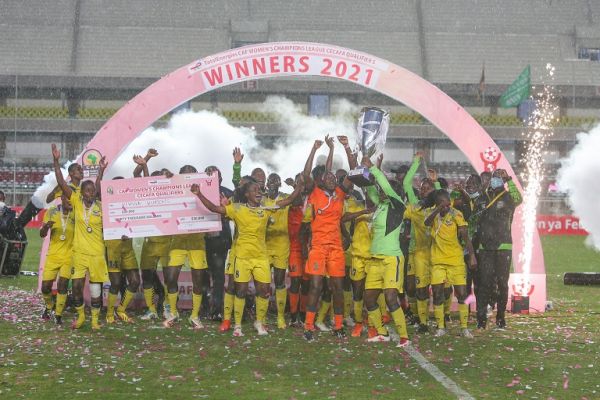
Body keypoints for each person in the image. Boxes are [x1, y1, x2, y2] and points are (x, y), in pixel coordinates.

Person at [191, 176, 303, 337]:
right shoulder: (238, 209)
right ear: (247, 195)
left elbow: (290, 200)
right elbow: (216, 209)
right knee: (240, 291)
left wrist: (299, 186)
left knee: (264, 291)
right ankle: (237, 326)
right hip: (242, 257)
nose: (259, 192)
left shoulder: (266, 208)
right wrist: (199, 194)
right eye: (255, 190)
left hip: (261, 258)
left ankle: (260, 322)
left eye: (259, 190)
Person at [302, 135, 355, 341]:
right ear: (322, 180)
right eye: (329, 178)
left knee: (337, 288)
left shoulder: (340, 194)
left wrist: (345, 147)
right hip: (318, 248)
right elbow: (306, 173)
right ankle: (308, 326)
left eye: (335, 178)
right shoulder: (315, 193)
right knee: (316, 286)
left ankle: (338, 326)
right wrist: (316, 149)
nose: (333, 179)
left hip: (335, 249)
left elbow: (355, 173)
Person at [51, 144, 108, 330]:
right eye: (88, 191)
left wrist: (100, 171)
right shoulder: (75, 200)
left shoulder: (100, 207)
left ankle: (94, 321)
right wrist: (56, 161)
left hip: (97, 254)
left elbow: (100, 186)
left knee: (95, 290)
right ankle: (82, 316)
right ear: (82, 193)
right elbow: (61, 183)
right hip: (80, 254)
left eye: (93, 191)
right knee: (76, 288)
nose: (91, 193)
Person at [361, 156, 410, 347]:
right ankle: (382, 333)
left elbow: (387, 188)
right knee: (369, 298)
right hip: (375, 260)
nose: (382, 192)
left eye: (387, 190)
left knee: (390, 297)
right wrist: (364, 172)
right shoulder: (380, 206)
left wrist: (373, 168)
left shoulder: (398, 205)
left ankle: (404, 336)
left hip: (392, 259)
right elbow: (371, 188)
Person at [425, 190, 477, 338]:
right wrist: (437, 209)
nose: (446, 206)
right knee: (437, 293)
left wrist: (472, 255)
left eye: (448, 203)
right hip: (437, 261)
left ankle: (464, 327)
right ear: (437, 204)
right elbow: (426, 223)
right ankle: (441, 327)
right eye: (443, 204)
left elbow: (465, 237)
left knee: (461, 293)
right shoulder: (432, 214)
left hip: (455, 260)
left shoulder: (456, 214)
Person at [163, 165, 208, 329]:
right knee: (171, 278)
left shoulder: (202, 191)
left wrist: (210, 179)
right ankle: (173, 312)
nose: (188, 178)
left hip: (197, 241)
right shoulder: (174, 190)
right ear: (180, 177)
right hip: (178, 241)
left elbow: (211, 204)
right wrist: (166, 179)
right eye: (184, 175)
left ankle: (194, 316)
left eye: (191, 175)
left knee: (198, 281)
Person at [476, 168, 522, 329]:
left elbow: (519, 197)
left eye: (498, 177)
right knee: (485, 283)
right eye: (493, 177)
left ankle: (501, 318)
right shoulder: (483, 198)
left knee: (502, 284)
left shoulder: (509, 198)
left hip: (503, 245)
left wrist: (508, 179)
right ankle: (481, 320)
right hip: (485, 247)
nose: (495, 180)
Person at [204, 164, 234, 321]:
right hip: (201, 240)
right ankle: (203, 308)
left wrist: (227, 209)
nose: (214, 178)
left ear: (221, 178)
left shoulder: (228, 193)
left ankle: (216, 310)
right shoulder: (197, 191)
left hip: (221, 240)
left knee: (219, 276)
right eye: (210, 175)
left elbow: (236, 215)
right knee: (202, 274)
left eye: (217, 176)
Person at [39, 194, 74, 325]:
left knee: (63, 285)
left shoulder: (76, 213)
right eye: (68, 198)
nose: (70, 201)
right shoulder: (51, 211)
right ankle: (49, 306)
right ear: (62, 198)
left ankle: (58, 314)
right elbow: (42, 234)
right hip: (53, 255)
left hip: (69, 256)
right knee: (45, 287)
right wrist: (46, 227)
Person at [263, 172, 292, 329]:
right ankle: (263, 318)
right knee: (264, 284)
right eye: (271, 180)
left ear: (280, 184)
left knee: (280, 282)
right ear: (267, 184)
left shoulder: (285, 199)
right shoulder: (261, 199)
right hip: (265, 246)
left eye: (276, 181)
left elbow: (297, 199)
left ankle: (280, 317)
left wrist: (296, 185)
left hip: (281, 246)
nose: (273, 182)